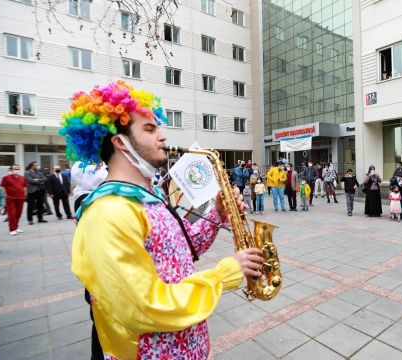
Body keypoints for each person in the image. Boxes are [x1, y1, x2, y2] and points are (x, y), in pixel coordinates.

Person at [60, 80, 263, 359]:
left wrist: (218, 212)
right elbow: (143, 307)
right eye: (149, 128)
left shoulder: (148, 197)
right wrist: (223, 274)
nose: (163, 136)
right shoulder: (108, 212)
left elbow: (182, 250)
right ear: (120, 142)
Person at [0, 164, 28, 235]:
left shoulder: (22, 178)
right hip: (10, 198)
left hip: (20, 198)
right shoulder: (6, 178)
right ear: (11, 170)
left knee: (18, 214)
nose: (16, 170)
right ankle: (12, 229)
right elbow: (2, 186)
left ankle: (16, 227)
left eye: (18, 169)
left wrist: (25, 194)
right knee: (12, 214)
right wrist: (5, 195)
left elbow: (24, 187)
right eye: (15, 169)